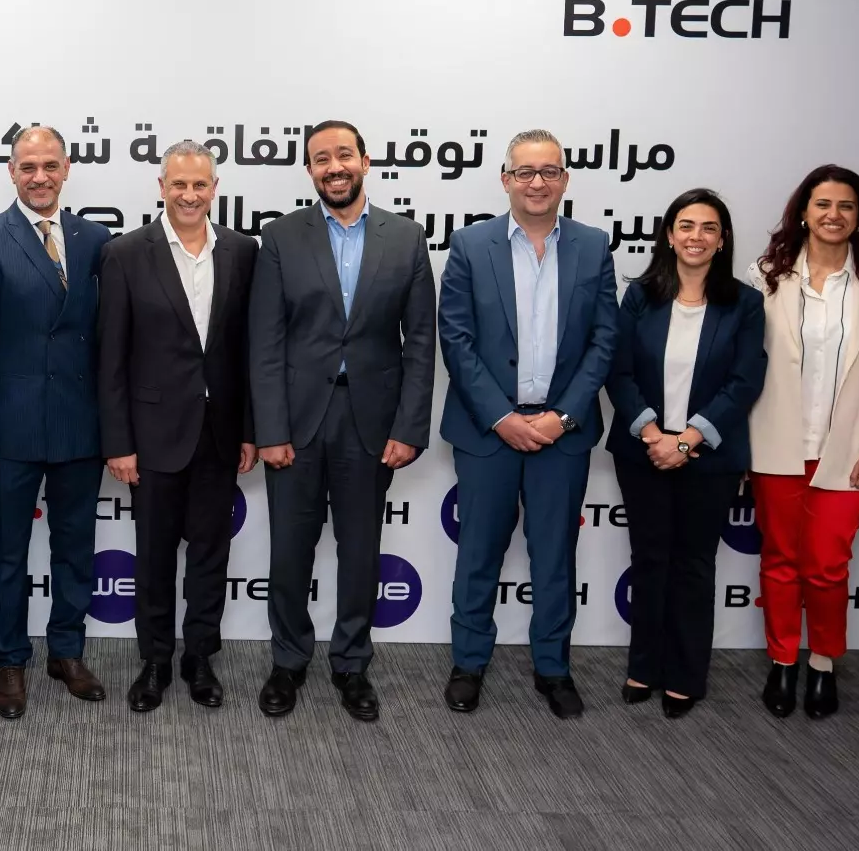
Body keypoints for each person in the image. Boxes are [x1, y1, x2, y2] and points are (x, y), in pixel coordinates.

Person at [249, 120, 436, 722]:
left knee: (360, 551)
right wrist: (270, 429)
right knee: (289, 551)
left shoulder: (406, 238)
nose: (334, 166)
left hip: (372, 422)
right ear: (310, 170)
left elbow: (421, 342)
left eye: (344, 155)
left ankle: (352, 662)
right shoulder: (281, 237)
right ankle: (288, 660)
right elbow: (266, 342)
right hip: (298, 422)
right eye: (321, 158)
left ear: (365, 161)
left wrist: (409, 427)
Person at [438, 130, 618, 719]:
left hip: (562, 434)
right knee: (478, 553)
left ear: (565, 179)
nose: (536, 182)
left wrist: (564, 416)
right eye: (525, 172)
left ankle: (553, 667)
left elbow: (604, 340)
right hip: (487, 432)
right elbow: (456, 338)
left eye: (548, 171)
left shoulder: (593, 246)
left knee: (555, 555)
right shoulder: (470, 245)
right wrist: (501, 417)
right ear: (505, 179)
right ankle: (469, 664)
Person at [0, 125, 113, 719]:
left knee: (76, 549)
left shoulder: (95, 239)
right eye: (28, 167)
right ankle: (10, 660)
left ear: (67, 169)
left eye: (49, 165)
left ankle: (66, 652)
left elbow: (107, 337)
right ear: (12, 172)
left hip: (80, 427)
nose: (39, 176)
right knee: (6, 556)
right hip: (10, 434)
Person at [97, 140, 259, 712]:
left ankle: (200, 657)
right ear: (161, 187)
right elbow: (111, 358)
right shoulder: (125, 253)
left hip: (219, 434)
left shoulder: (242, 251)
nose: (190, 195)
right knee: (155, 555)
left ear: (215, 189)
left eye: (200, 185)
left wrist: (249, 429)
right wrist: (118, 442)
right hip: (151, 436)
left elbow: (249, 350)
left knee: (211, 554)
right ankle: (156, 660)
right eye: (179, 184)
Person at [747, 165, 859, 720]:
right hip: (776, 443)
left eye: (845, 206)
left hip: (846, 450)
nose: (833, 215)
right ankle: (782, 660)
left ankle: (822, 663)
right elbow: (746, 362)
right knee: (779, 560)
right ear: (803, 212)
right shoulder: (765, 275)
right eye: (822, 204)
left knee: (827, 567)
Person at [606, 188, 765, 718]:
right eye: (687, 226)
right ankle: (643, 666)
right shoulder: (640, 296)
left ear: (722, 241)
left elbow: (744, 381)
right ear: (670, 236)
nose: (697, 236)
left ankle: (685, 674)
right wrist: (654, 435)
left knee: (695, 564)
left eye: (709, 228)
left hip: (708, 456)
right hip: (643, 450)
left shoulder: (745, 304)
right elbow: (619, 371)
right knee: (649, 559)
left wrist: (689, 439)